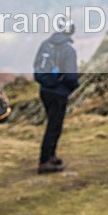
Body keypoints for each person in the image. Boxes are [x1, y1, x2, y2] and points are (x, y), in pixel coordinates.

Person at [33, 18, 79, 174]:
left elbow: (36, 66)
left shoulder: (45, 44)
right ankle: (45, 160)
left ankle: (50, 156)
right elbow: (71, 76)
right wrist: (74, 86)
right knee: (54, 126)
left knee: (51, 124)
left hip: (44, 90)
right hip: (59, 93)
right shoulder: (68, 50)